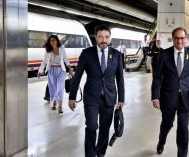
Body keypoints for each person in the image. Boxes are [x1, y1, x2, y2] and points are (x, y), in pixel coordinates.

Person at [69, 25, 125, 157]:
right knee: (92, 126)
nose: (103, 40)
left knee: (105, 128)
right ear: (96, 38)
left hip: (109, 97)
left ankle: (100, 153)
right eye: (100, 37)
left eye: (106, 37)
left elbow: (120, 78)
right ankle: (89, 154)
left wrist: (121, 99)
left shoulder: (116, 55)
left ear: (110, 38)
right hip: (91, 97)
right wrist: (72, 96)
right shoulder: (87, 53)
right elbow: (77, 76)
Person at [151, 27, 189, 157]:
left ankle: (182, 155)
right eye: (177, 38)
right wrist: (155, 96)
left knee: (183, 128)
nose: (179, 41)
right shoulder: (164, 54)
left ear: (186, 39)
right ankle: (161, 141)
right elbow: (156, 77)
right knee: (167, 124)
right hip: (168, 98)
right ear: (173, 39)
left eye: (182, 38)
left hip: (186, 98)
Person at [38, 35, 73, 114]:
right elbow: (44, 62)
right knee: (52, 88)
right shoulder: (48, 51)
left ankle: (60, 106)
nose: (52, 42)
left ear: (57, 41)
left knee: (60, 88)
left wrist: (70, 69)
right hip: (51, 71)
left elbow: (66, 60)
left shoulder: (62, 49)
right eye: (50, 40)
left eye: (53, 40)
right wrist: (40, 71)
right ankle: (54, 105)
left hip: (61, 71)